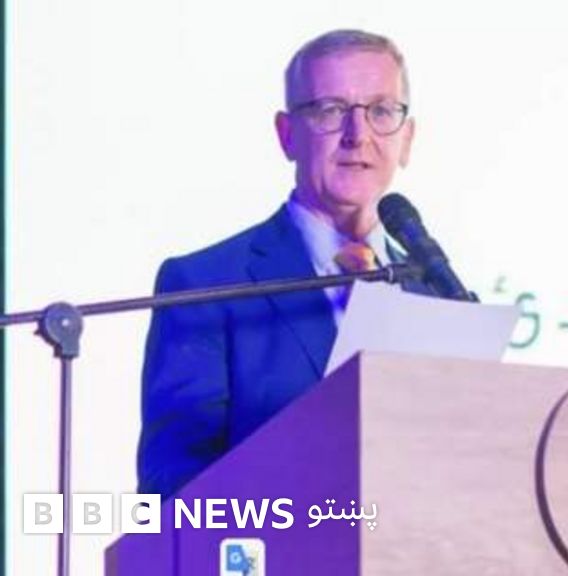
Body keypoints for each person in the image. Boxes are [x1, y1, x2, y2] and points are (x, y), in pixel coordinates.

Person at [137, 29, 431, 498]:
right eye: (331, 110)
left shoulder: (435, 293)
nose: (358, 136)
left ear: (407, 138)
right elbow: (172, 488)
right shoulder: (203, 286)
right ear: (287, 134)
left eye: (380, 111)